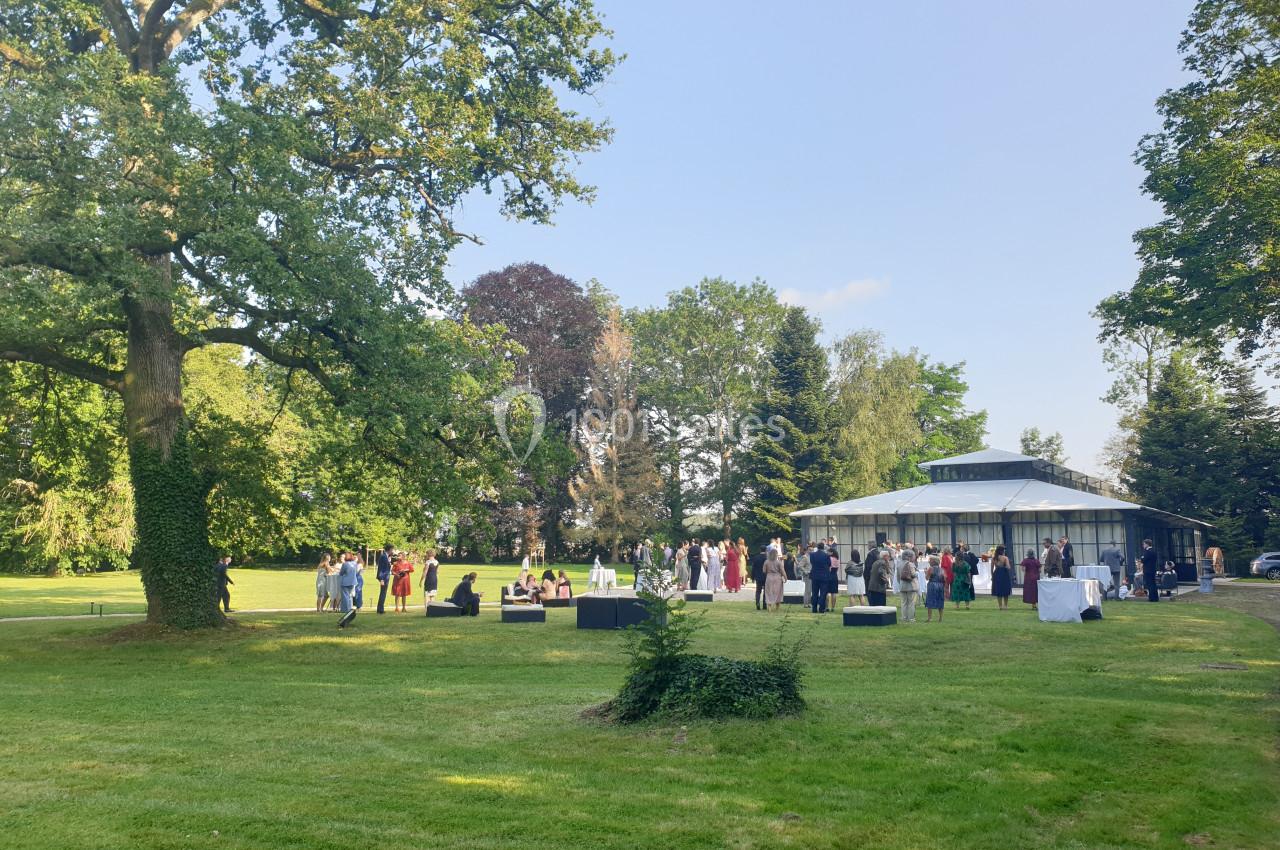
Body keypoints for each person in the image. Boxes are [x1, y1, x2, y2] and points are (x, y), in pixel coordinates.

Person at [808, 542, 833, 613]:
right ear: (823, 548)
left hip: (815, 576)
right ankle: (821, 608)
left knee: (814, 593)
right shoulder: (826, 556)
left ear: (817, 547)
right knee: (823, 593)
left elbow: (812, 563)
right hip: (824, 576)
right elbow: (829, 564)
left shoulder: (812, 555)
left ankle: (814, 608)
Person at [898, 552, 919, 622]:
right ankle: (911, 618)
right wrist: (918, 573)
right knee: (911, 603)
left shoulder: (899, 564)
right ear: (909, 557)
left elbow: (898, 576)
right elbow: (913, 574)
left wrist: (900, 583)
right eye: (913, 556)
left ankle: (904, 617)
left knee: (904, 603)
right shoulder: (910, 564)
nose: (914, 558)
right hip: (911, 585)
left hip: (902, 586)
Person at [991, 545, 1012, 609]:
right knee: (1005, 589)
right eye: (1004, 550)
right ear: (1002, 550)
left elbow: (991, 569)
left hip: (996, 574)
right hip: (1004, 574)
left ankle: (1000, 606)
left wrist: (992, 576)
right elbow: (1008, 567)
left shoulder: (994, 558)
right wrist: (1005, 565)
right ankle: (1005, 606)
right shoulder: (1005, 558)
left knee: (998, 590)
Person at [925, 556, 945, 622]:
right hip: (940, 585)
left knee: (930, 600)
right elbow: (944, 578)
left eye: (930, 560)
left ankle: (929, 618)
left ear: (933, 562)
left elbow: (927, 578)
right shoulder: (942, 569)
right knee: (940, 601)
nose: (929, 562)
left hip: (932, 585)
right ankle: (941, 618)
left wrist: (926, 572)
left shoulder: (930, 569)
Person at [375, 543, 394, 614]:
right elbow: (381, 569)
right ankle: (380, 609)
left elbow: (387, 568)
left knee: (383, 593)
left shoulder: (386, 556)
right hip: (384, 578)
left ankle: (380, 608)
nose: (393, 551)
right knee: (383, 593)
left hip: (386, 577)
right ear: (389, 549)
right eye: (392, 549)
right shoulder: (383, 556)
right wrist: (381, 579)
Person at [1141, 539, 1161, 603]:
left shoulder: (1148, 552)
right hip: (1153, 570)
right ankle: (1155, 597)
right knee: (1153, 583)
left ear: (1147, 544)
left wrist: (1142, 557)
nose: (1143, 545)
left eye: (1144, 544)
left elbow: (1143, 560)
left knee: (1149, 584)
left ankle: (1151, 598)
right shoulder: (1154, 551)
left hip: (1148, 570)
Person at [751, 544, 770, 610]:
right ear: (766, 550)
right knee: (765, 591)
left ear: (760, 550)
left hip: (758, 576)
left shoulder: (756, 557)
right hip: (766, 576)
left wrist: (752, 577)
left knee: (758, 591)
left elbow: (753, 568)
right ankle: (764, 604)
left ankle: (757, 603)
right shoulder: (767, 558)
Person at [795, 543, 812, 607]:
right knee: (807, 590)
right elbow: (799, 565)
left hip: (811, 574)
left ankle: (809, 603)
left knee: (810, 590)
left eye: (812, 550)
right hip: (807, 575)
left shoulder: (811, 556)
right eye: (810, 550)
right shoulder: (805, 557)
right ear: (807, 550)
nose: (811, 551)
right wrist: (805, 571)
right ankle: (805, 603)